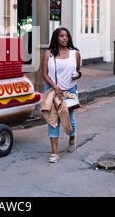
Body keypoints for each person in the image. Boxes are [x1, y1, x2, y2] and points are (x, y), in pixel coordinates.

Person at [41, 27, 81, 163]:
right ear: (56, 38)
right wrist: (55, 87)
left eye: (66, 36)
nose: (65, 38)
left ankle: (72, 138)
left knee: (70, 119)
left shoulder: (75, 53)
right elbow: (44, 73)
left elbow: (78, 71)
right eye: (62, 36)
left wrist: (77, 75)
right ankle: (54, 153)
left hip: (69, 91)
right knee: (53, 120)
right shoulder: (48, 53)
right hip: (53, 91)